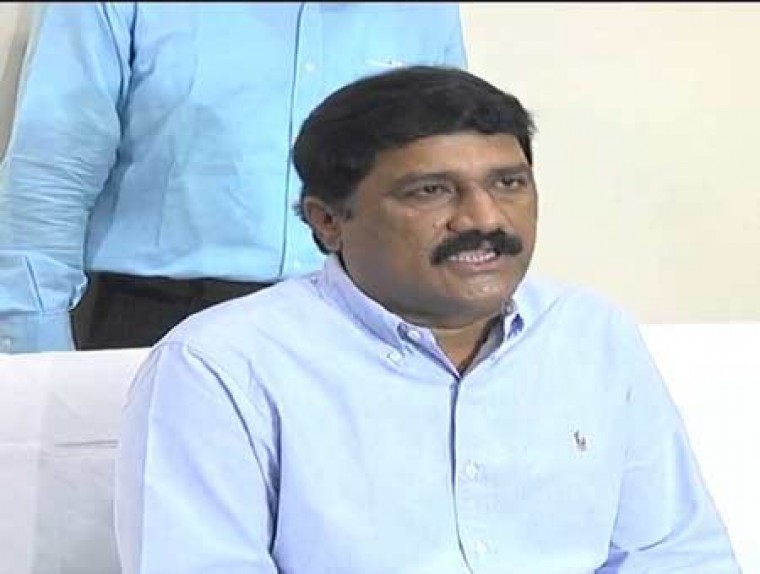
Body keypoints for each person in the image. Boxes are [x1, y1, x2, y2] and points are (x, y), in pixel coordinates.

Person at [114, 66, 739, 573]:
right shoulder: (222, 367)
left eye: (509, 183)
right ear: (327, 221)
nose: (484, 219)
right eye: (431, 191)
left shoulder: (590, 334)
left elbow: (674, 556)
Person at [0, 2, 466, 353]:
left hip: (363, 325)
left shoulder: (423, 11)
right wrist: (39, 353)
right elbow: (50, 176)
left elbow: (450, 176)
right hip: (161, 319)